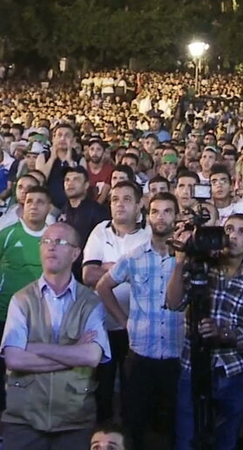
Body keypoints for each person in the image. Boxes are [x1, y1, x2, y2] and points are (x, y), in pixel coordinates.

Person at [0, 222, 111, 450]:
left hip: (75, 421)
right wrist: (71, 355)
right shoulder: (21, 299)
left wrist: (35, 347)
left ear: (75, 253)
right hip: (24, 420)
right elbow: (14, 359)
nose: (51, 247)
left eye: (60, 242)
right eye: (46, 241)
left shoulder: (90, 302)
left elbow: (91, 357)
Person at [165, 213, 243, 450]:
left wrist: (223, 333)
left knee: (225, 441)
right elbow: (174, 303)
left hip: (233, 372)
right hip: (193, 365)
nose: (233, 236)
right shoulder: (201, 266)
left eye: (242, 232)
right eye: (229, 229)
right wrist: (180, 262)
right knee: (186, 439)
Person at [95, 192, 184, 450]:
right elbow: (103, 286)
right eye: (155, 211)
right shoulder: (133, 257)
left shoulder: (186, 259)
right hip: (140, 356)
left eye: (168, 211)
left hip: (175, 356)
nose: (161, 217)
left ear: (176, 217)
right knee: (135, 427)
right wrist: (125, 322)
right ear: (148, 216)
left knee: (174, 429)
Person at [0, 185, 52, 446]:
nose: (34, 205)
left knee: (37, 374)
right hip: (6, 318)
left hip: (42, 320)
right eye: (29, 201)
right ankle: (1, 433)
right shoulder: (7, 234)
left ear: (49, 208)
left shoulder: (54, 238)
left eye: (40, 201)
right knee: (0, 374)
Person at [81, 181, 149, 422]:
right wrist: (131, 273)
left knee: (134, 392)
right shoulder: (100, 231)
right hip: (102, 326)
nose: (119, 204)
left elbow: (152, 280)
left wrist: (110, 270)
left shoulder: (148, 236)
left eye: (127, 199)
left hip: (138, 327)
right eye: (115, 199)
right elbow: (88, 275)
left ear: (140, 204)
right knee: (104, 390)